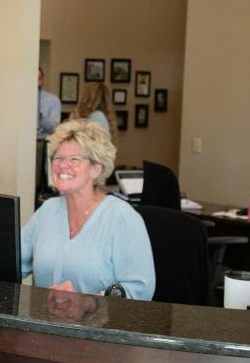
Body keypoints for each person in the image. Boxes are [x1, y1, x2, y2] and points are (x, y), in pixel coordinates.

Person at [21, 119, 155, 300]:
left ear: (96, 169)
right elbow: (12, 263)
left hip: (96, 327)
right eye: (58, 158)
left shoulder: (122, 217)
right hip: (42, 325)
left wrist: (89, 303)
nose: (62, 165)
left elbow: (140, 290)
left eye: (74, 159)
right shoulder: (47, 211)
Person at [37, 66, 61, 138]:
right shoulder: (18, 99)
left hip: (42, 143)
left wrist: (40, 117)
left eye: (39, 79)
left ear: (43, 80)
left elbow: (55, 128)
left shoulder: (53, 100)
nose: (35, 82)